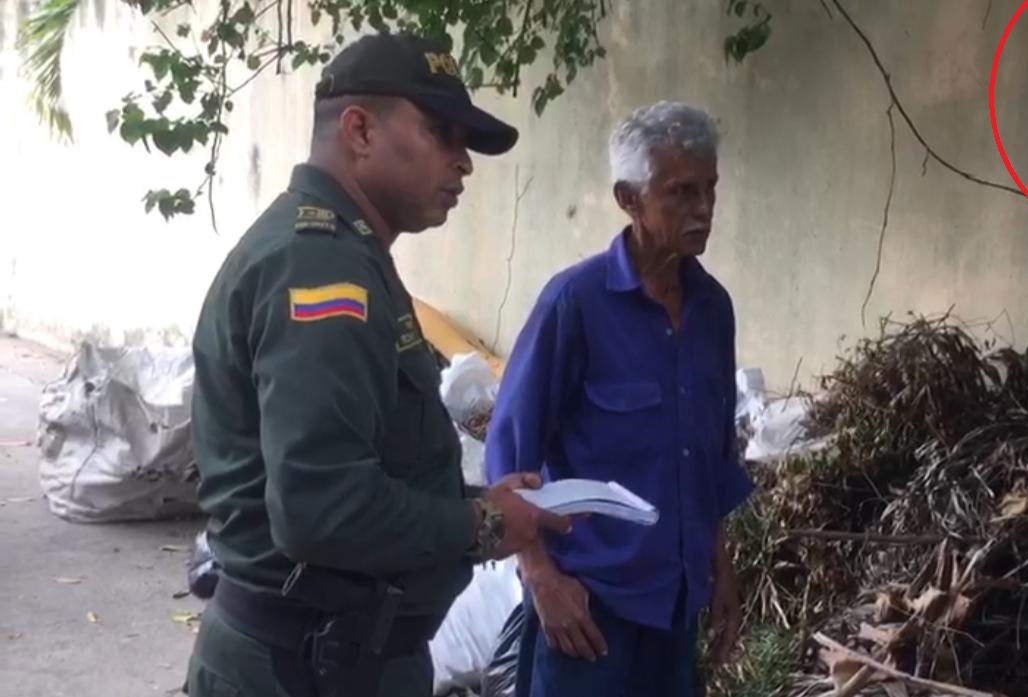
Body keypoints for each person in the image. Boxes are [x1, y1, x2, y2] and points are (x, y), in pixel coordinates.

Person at [184, 32, 572, 697]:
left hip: (335, 657)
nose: (463, 164)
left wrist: (477, 500)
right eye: (442, 133)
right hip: (306, 666)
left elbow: (365, 464)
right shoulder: (321, 268)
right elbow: (320, 507)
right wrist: (484, 525)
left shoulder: (347, 254)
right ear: (360, 130)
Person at [484, 101, 755, 697]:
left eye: (710, 189)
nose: (704, 209)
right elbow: (508, 464)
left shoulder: (713, 311)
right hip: (587, 612)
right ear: (629, 198)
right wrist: (542, 580)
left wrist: (722, 572)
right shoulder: (575, 304)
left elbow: (711, 458)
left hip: (675, 609)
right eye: (681, 192)